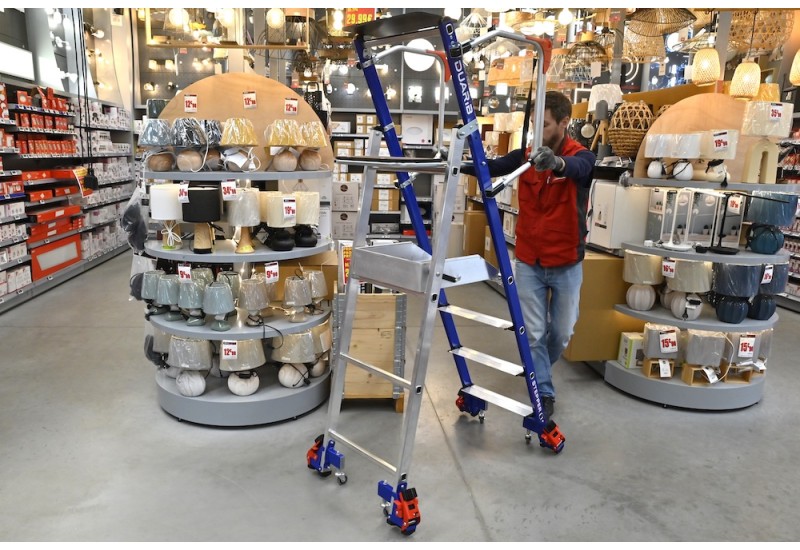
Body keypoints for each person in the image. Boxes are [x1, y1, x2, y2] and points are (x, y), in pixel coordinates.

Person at [468, 91, 595, 419]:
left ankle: (536, 370)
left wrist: (557, 163)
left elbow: (581, 168)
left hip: (566, 262)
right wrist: (457, 160)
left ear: (564, 123)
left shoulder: (580, 155)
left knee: (562, 332)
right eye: (537, 122)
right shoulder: (524, 157)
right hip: (529, 260)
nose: (539, 130)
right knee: (534, 333)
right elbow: (491, 167)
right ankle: (544, 392)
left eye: (547, 124)